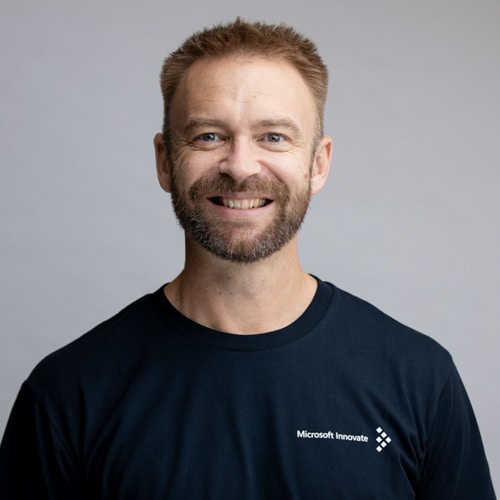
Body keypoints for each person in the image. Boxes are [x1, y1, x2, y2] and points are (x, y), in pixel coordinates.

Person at [0, 18, 496, 499]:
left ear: (318, 163)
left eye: (273, 137)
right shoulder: (68, 394)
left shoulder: (418, 378)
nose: (240, 166)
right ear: (164, 161)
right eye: (209, 135)